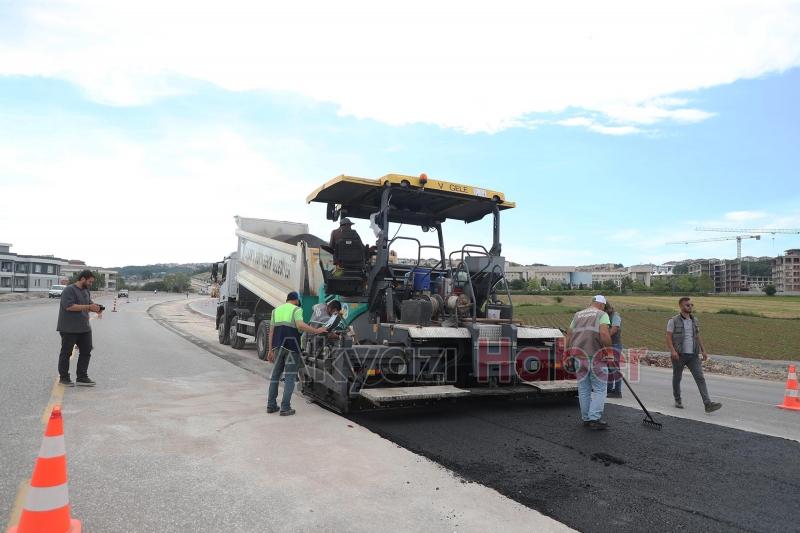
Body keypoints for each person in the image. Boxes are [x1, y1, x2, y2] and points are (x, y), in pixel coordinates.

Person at [267, 291, 328, 416]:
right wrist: (317, 330)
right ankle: (285, 408)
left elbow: (271, 332)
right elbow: (300, 325)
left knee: (275, 377)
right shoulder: (296, 310)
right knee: (289, 377)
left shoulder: (276, 311)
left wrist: (270, 350)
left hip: (278, 347)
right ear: (296, 300)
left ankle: (271, 405)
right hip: (291, 348)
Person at [565, 295, 613, 430]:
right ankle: (594, 418)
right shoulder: (601, 314)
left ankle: (586, 418)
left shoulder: (578, 315)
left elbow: (569, 334)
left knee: (584, 389)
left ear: (592, 303)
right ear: (602, 305)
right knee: (599, 389)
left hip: (578, 357)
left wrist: (567, 354)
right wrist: (609, 353)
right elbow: (604, 334)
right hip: (595, 356)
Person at [666, 297, 722, 412]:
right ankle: (678, 399)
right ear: (681, 306)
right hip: (679, 355)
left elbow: (697, 336)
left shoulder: (695, 320)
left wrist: (703, 350)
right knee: (677, 378)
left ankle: (707, 404)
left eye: (691, 305)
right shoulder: (673, 320)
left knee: (700, 378)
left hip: (693, 355)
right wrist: (673, 351)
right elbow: (668, 337)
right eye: (687, 305)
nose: (690, 307)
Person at [57, 269, 102, 387]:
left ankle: (82, 377)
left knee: (86, 351)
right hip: (69, 328)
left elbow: (89, 304)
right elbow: (69, 307)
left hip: (84, 327)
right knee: (66, 353)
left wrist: (96, 308)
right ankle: (64, 378)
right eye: (90, 282)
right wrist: (88, 306)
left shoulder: (86, 291)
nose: (91, 284)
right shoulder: (69, 290)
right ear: (83, 279)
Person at [605, 302, 623, 398]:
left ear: (609, 309)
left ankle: (617, 391)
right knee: (609, 369)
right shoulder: (605, 316)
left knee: (615, 369)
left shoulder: (615, 316)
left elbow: (614, 329)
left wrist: (604, 337)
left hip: (615, 345)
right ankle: (609, 389)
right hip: (608, 345)